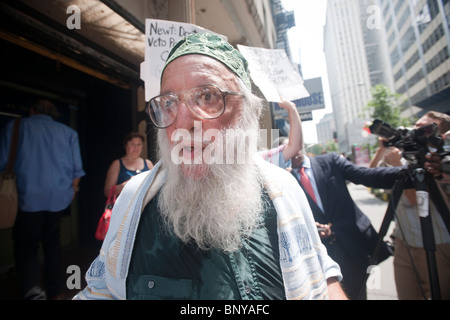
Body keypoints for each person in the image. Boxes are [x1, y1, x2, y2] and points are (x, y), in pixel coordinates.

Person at [75, 33, 347, 300]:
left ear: (247, 111)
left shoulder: (285, 189)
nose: (182, 123)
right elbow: (101, 290)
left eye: (208, 96)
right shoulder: (135, 199)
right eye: (168, 102)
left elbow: (321, 274)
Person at [288, 150, 403, 299]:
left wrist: (405, 174)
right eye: (287, 152)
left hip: (353, 245)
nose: (293, 154)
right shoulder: (286, 181)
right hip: (322, 254)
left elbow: (365, 175)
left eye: (293, 147)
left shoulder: (331, 161)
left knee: (359, 293)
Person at [0, 99, 85, 300]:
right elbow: (77, 170)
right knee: (52, 242)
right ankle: (56, 291)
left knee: (26, 247)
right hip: (58, 199)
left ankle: (33, 293)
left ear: (31, 110)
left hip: (26, 198)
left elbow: (3, 162)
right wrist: (72, 190)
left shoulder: (17, 127)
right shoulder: (68, 133)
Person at [370, 111, 450, 300]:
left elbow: (414, 198)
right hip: (404, 244)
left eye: (424, 127)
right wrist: (383, 149)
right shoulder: (403, 156)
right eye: (416, 124)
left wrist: (398, 164)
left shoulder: (439, 162)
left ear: (441, 135)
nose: (416, 129)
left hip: (436, 243)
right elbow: (372, 177)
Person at [103, 132, 154, 197]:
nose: (136, 148)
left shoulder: (148, 163)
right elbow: (107, 191)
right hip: (124, 204)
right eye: (132, 144)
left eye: (139, 144)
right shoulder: (117, 164)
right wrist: (126, 185)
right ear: (126, 145)